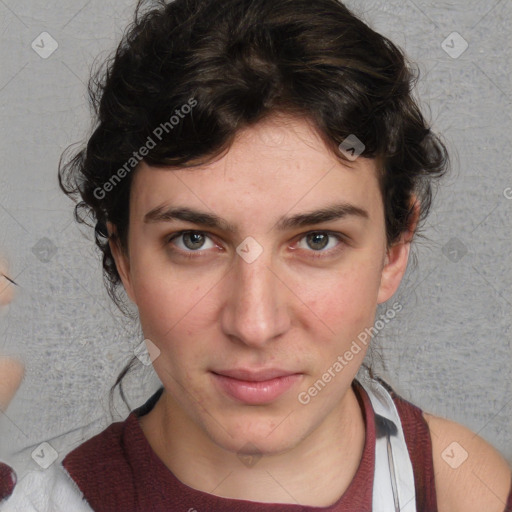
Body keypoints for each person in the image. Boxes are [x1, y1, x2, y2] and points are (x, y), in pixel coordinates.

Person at [2, 0, 511, 510]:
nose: (254, 324)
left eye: (317, 240)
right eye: (193, 240)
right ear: (125, 257)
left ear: (393, 250)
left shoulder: (465, 490)